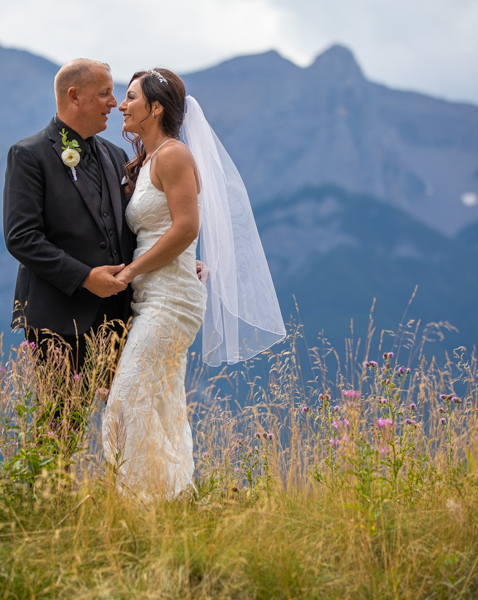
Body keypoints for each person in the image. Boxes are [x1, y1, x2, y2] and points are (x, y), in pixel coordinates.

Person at [102, 68, 285, 498]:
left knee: (126, 403)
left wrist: (130, 271)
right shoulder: (148, 160)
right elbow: (166, 230)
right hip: (153, 295)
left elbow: (185, 228)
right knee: (159, 405)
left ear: (156, 107)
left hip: (171, 299)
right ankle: (171, 500)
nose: (122, 105)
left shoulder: (173, 155)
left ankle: (145, 502)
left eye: (130, 98)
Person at [3, 59, 133, 372]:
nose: (114, 104)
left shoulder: (117, 156)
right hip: (58, 319)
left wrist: (175, 262)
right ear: (74, 96)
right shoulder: (29, 155)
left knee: (123, 419)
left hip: (120, 317)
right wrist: (85, 278)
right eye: (104, 94)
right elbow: (21, 237)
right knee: (61, 421)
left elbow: (132, 226)